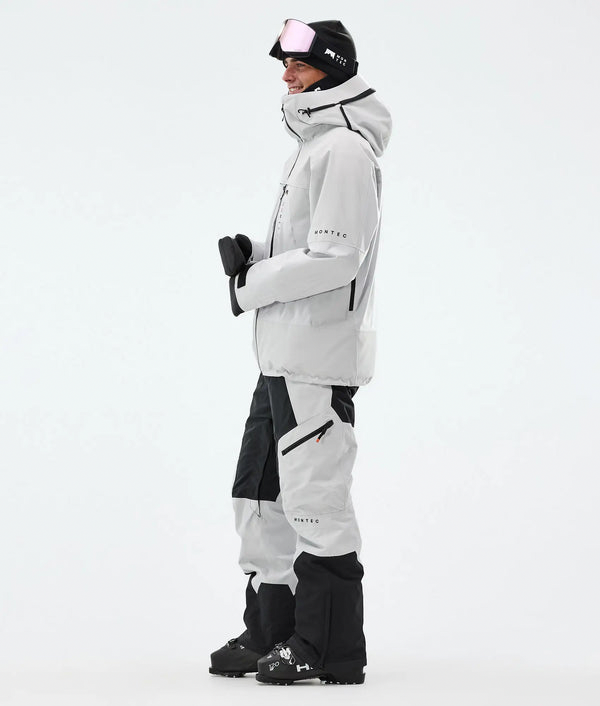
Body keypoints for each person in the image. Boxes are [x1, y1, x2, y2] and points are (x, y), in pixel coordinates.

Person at [209, 18, 392, 686]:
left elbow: (337, 257)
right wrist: (256, 254)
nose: (287, 76)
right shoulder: (315, 144)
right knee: (258, 492)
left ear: (334, 68)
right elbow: (311, 248)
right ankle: (274, 626)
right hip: (282, 354)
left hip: (315, 358)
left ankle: (329, 647)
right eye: (284, 65)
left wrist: (251, 284)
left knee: (315, 498)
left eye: (300, 65)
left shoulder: (342, 148)